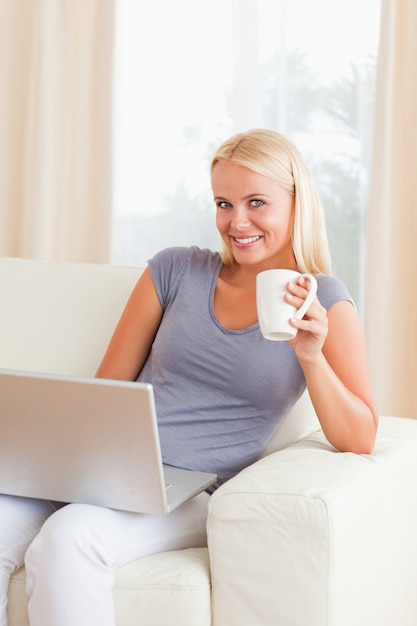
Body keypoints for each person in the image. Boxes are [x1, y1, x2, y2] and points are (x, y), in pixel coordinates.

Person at [0, 129, 378, 626]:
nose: (236, 222)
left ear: (295, 203)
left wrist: (311, 357)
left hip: (189, 492)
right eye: (224, 203)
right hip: (104, 470)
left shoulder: (324, 299)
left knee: (70, 538)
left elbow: (361, 436)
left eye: (256, 203)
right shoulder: (176, 269)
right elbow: (105, 389)